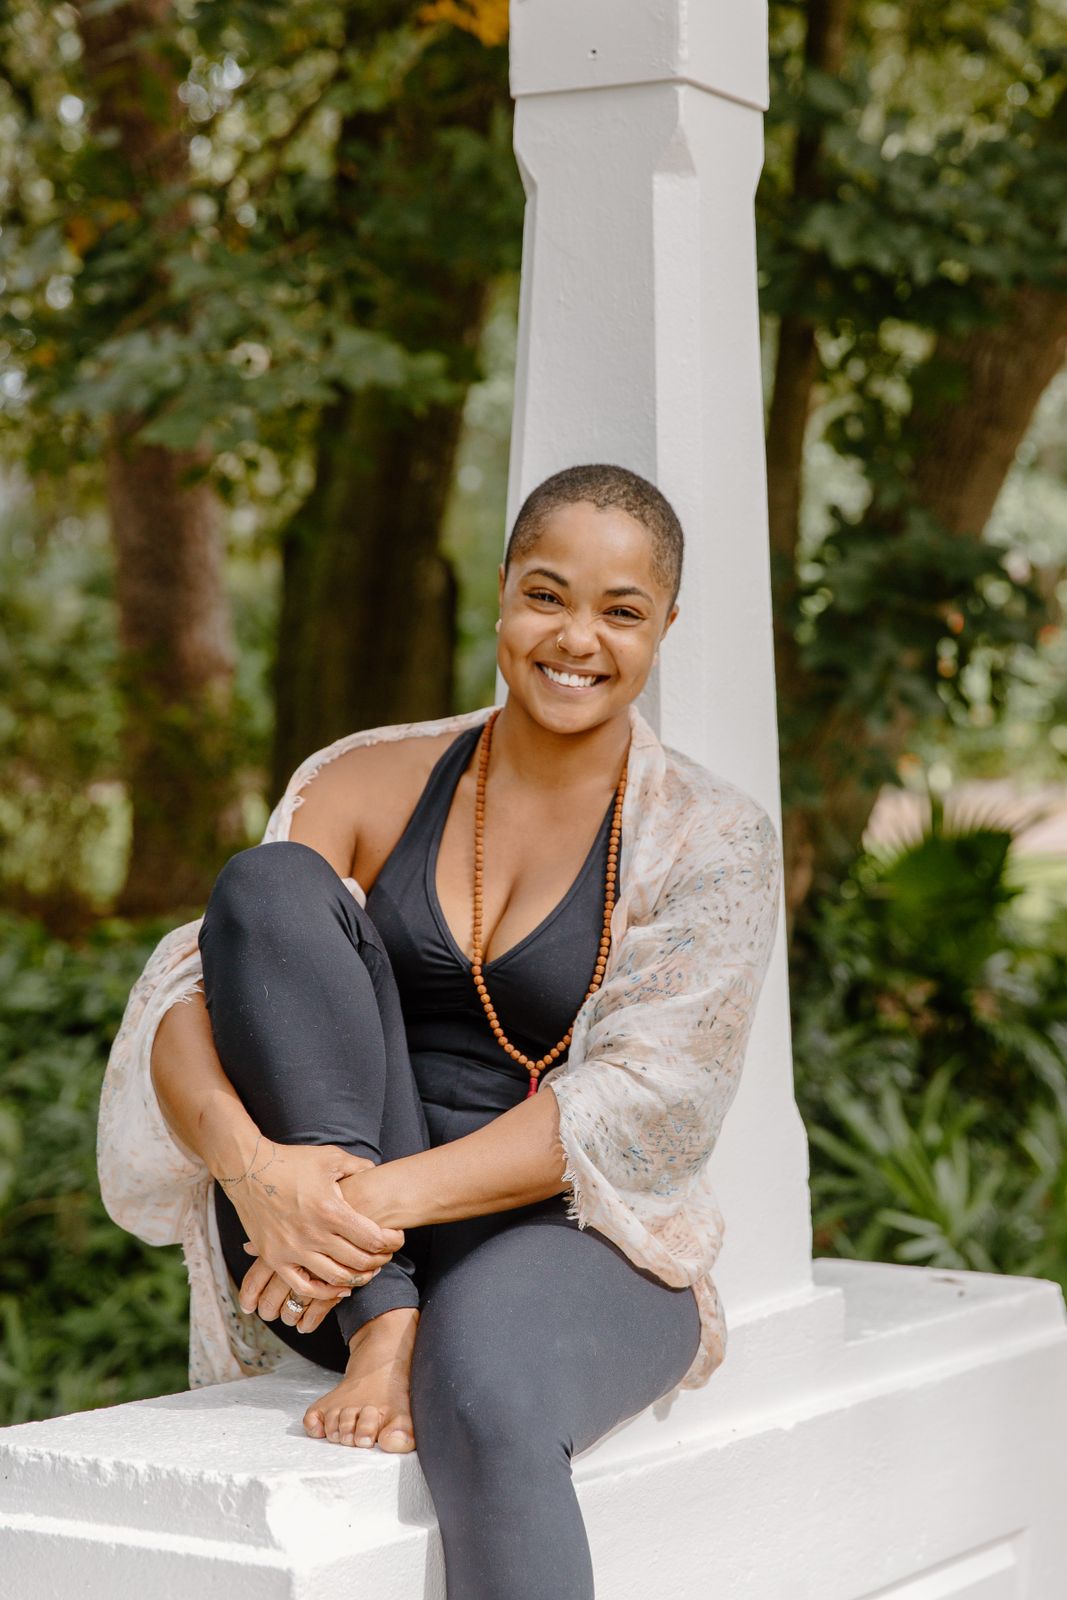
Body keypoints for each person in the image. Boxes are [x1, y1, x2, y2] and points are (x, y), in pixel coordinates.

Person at [98, 462, 782, 1600]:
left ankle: (412, 1325)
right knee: (265, 885)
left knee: (490, 1388)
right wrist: (254, 1169)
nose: (575, 638)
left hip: (567, 1239)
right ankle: (386, 1321)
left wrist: (356, 1208)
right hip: (324, 1250)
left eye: (620, 611)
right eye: (545, 594)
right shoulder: (363, 777)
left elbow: (644, 1104)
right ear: (501, 590)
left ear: (665, 624)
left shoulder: (711, 838)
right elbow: (196, 995)